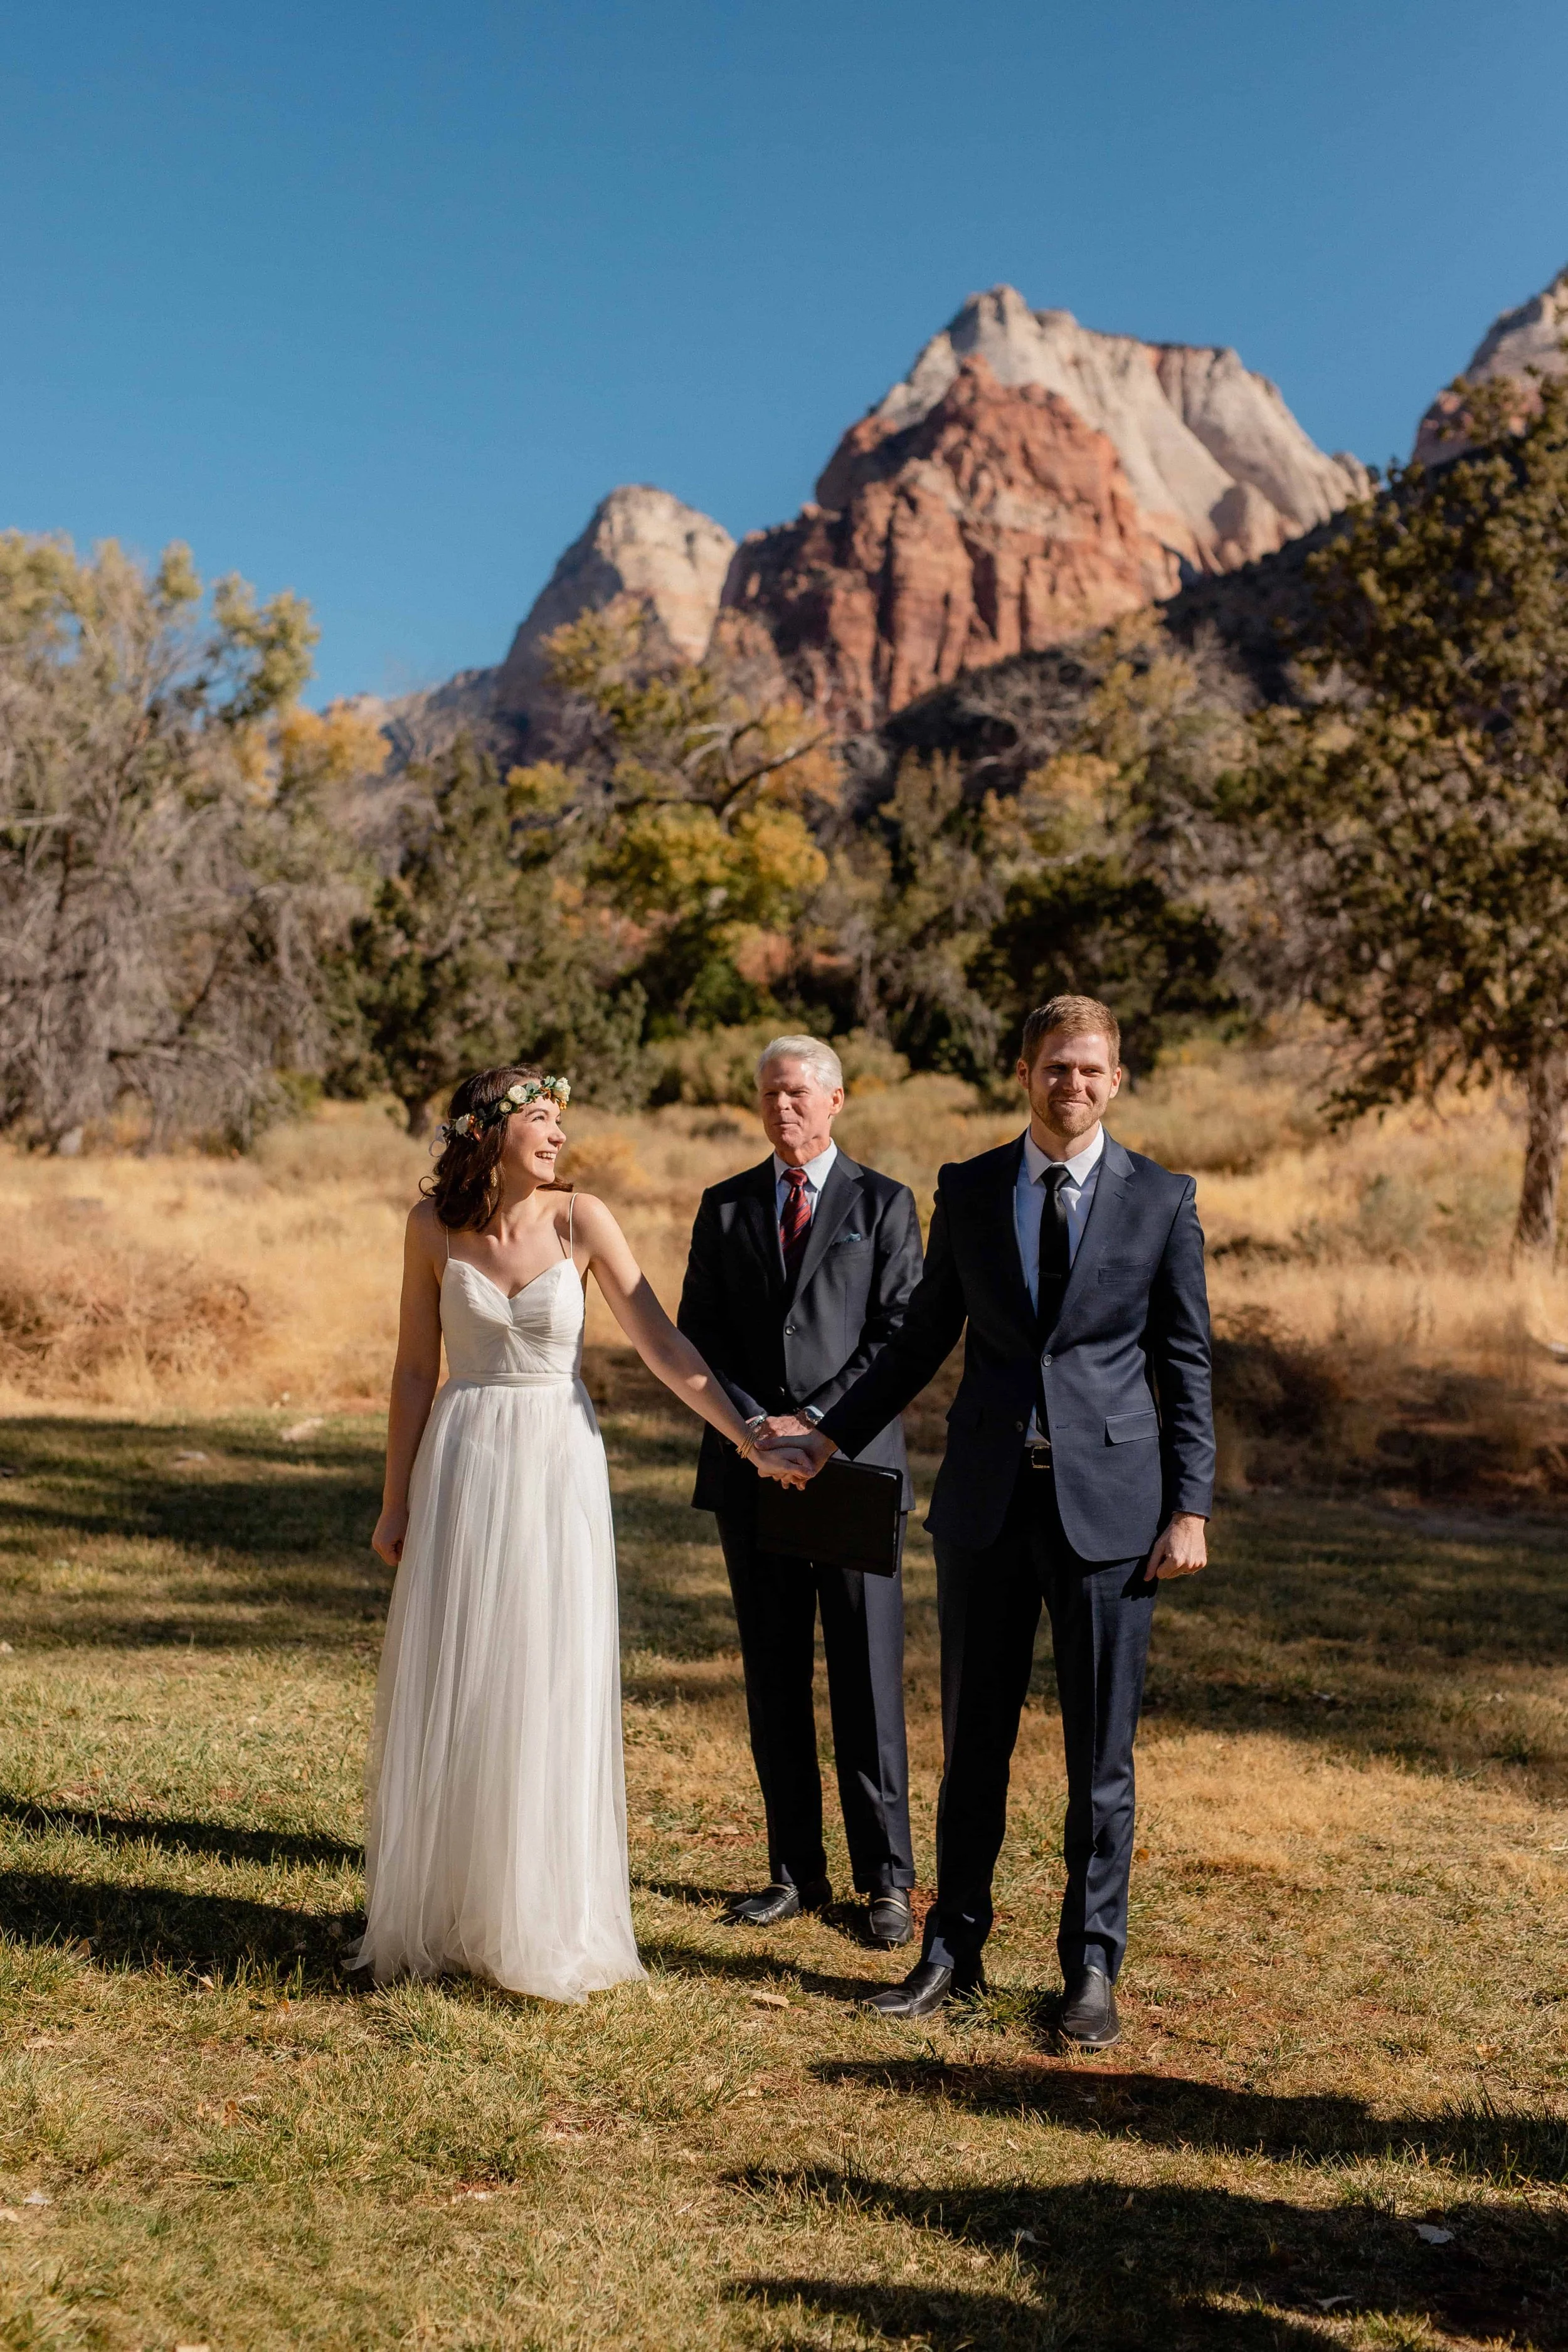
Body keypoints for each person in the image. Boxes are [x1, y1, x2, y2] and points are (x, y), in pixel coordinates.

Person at [784, 996, 1214, 2045]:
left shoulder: (1162, 1198)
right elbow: (921, 1336)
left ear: (1117, 1080)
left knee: (1100, 1758)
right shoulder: (971, 1189)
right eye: (1054, 1066)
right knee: (974, 1745)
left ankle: (1092, 1967)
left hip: (1112, 1515)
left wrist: (1191, 1504)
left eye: (1091, 1069)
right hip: (986, 1505)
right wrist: (826, 1433)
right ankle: (953, 1949)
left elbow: (1186, 1359)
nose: (1073, 1084)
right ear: (1023, 1071)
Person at [354, 1063, 811, 2004]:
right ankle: (449, 1907)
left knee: (544, 1674)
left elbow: (666, 1346)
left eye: (562, 1120)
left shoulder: (582, 1219)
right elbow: (411, 1370)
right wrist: (395, 1499)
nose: (558, 1135)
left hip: (556, 1464)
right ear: (490, 1130)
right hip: (466, 1459)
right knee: (466, 1673)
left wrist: (749, 1436)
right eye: (540, 1118)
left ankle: (539, 1917)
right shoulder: (430, 1227)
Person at [677, 1037, 924, 1947]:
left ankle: (888, 1882)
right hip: (753, 1475)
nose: (783, 1108)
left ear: (836, 1100)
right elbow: (696, 1337)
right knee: (774, 1677)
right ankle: (794, 1871)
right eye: (770, 1094)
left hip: (849, 1471)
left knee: (866, 1681)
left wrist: (819, 1421)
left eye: (799, 1093)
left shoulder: (886, 1203)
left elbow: (899, 1337)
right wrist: (756, 1430)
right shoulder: (727, 1206)